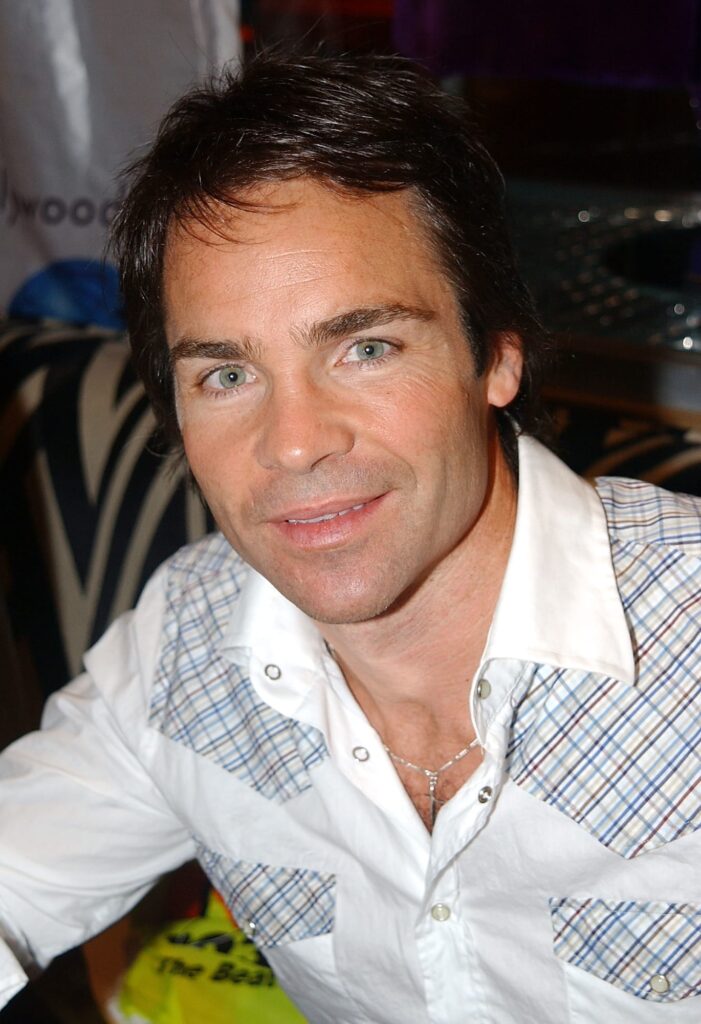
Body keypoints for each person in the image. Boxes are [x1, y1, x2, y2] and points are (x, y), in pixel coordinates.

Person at [1, 52, 700, 1024]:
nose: (293, 443)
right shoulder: (188, 649)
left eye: (364, 348)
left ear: (496, 354)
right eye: (226, 375)